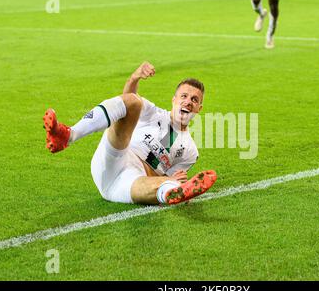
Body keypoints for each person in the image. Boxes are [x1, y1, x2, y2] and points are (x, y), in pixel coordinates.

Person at [43, 62, 217, 206]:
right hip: (115, 156)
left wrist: (170, 180)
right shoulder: (153, 113)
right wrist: (135, 77)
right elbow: (123, 102)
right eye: (184, 96)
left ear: (199, 109)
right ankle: (68, 135)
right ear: (174, 100)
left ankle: (175, 193)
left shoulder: (190, 151)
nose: (188, 102)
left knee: (168, 184)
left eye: (194, 100)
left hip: (131, 181)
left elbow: (169, 174)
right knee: (133, 101)